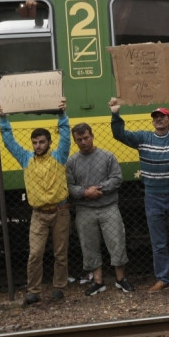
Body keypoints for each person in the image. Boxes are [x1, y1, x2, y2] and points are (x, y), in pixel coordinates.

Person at [110, 93, 169, 292]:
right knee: (158, 243)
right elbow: (119, 134)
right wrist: (116, 114)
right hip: (153, 197)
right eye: (155, 117)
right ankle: (163, 279)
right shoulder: (143, 138)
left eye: (162, 116)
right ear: (153, 122)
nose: (158, 119)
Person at [0, 98, 71, 305]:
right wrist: (3, 118)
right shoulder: (25, 158)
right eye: (35, 142)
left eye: (42, 142)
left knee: (60, 254)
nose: (38, 146)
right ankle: (34, 291)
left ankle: (58, 288)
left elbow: (65, 135)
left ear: (49, 142)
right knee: (35, 254)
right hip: (38, 214)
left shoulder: (60, 156)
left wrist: (62, 114)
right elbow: (9, 140)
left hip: (61, 211)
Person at [66, 122, 134, 296]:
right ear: (75, 141)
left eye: (86, 138)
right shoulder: (71, 162)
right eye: (79, 139)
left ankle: (121, 279)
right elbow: (69, 186)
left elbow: (117, 178)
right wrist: (85, 193)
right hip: (84, 209)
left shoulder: (107, 156)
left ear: (92, 136)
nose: (83, 142)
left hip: (108, 207)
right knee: (89, 245)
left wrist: (98, 190)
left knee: (116, 242)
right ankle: (98, 281)